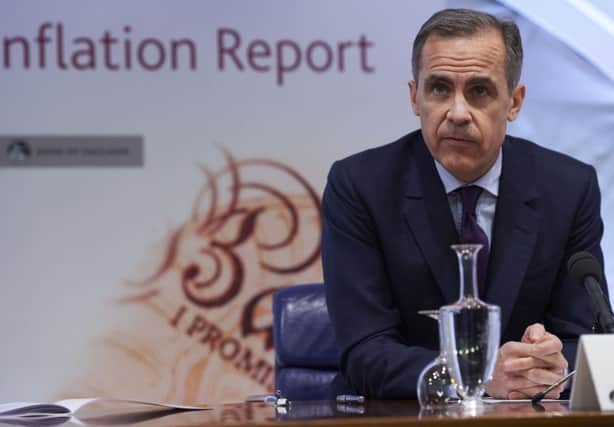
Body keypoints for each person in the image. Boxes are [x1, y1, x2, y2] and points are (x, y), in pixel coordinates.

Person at [322, 8, 607, 400]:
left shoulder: (569, 188)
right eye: (439, 88)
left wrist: (552, 363)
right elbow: (365, 350)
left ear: (514, 102)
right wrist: (477, 377)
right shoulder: (360, 186)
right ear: (414, 97)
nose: (457, 113)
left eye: (479, 91)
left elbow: (589, 339)